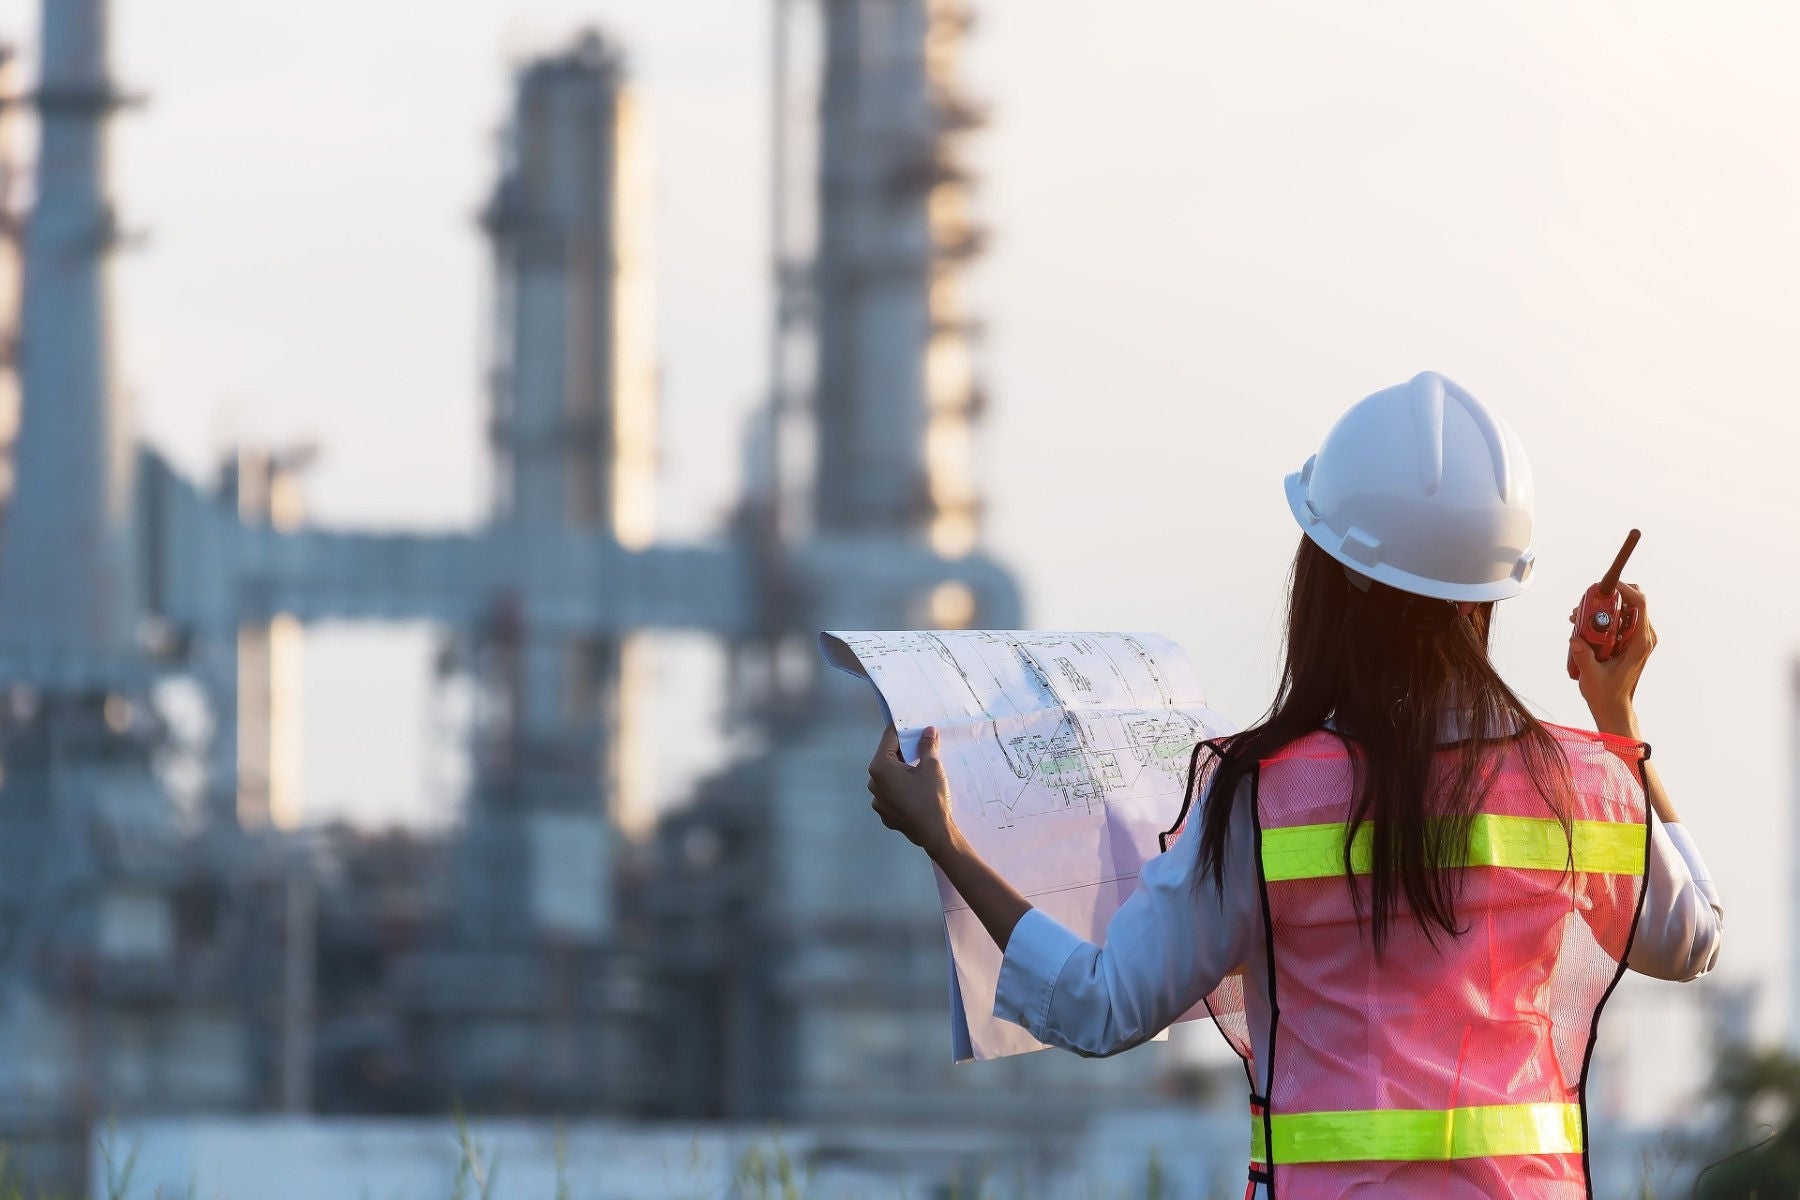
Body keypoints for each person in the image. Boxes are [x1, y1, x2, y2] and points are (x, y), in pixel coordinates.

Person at [864, 371, 1722, 1199]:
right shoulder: (1582, 784)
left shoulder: (1262, 798)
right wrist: (1615, 713)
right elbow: (1689, 940)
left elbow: (1099, 1006)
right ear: (1490, 592)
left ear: (1336, 575)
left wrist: (946, 836)